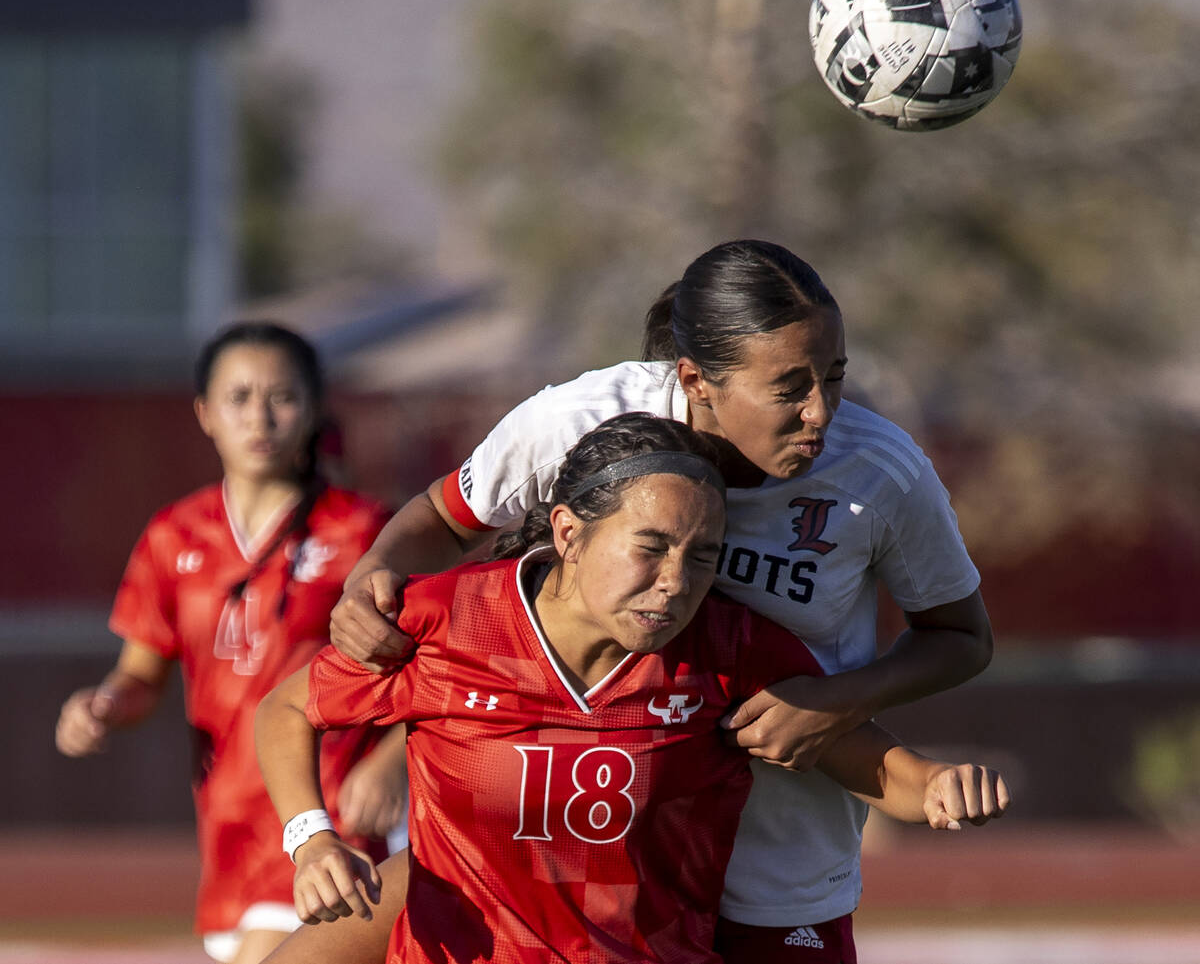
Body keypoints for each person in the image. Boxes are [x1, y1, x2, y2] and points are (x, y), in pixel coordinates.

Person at [325, 239, 992, 962]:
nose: (820, 413)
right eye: (789, 387)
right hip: (604, 847)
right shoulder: (580, 420)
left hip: (775, 858)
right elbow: (441, 520)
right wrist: (369, 580)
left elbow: (961, 637)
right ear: (695, 380)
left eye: (833, 378)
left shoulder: (879, 470)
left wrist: (835, 701)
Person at [256, 413, 1008, 964]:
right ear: (569, 533)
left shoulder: (728, 649)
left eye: (703, 555)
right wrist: (310, 839)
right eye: (650, 548)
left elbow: (875, 766)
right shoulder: (450, 620)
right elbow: (289, 707)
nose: (677, 582)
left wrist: (940, 784)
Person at [54, 322, 409, 964]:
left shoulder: (365, 532)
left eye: (282, 397)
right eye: (239, 397)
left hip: (330, 817)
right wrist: (103, 704)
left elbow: (438, 667)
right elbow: (139, 677)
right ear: (204, 414)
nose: (260, 417)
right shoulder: (172, 535)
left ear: (313, 409)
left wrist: (392, 762)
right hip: (228, 833)